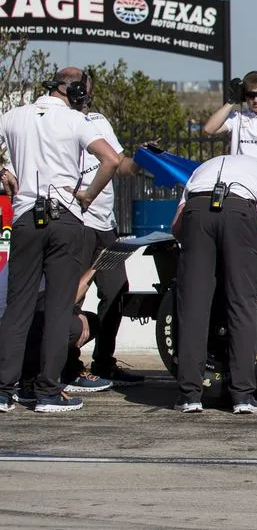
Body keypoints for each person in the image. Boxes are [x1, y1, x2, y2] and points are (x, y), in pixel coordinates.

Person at [0, 67, 122, 414]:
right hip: (65, 216)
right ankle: (48, 392)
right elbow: (112, 159)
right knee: (58, 307)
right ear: (77, 92)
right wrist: (88, 195)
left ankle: (4, 391)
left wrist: (4, 172)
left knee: (18, 307)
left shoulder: (14, 116)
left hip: (26, 217)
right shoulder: (75, 121)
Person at [170, 153, 257, 414]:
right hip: (240, 213)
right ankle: (242, 396)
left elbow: (177, 228)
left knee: (193, 307)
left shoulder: (202, 168)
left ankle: (190, 396)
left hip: (197, 211)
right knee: (242, 304)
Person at [72, 79, 146, 386]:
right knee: (72, 295)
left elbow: (120, 165)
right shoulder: (61, 123)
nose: (85, 94)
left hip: (106, 226)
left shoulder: (98, 120)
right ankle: (68, 366)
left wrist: (141, 160)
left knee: (116, 291)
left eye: (87, 88)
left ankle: (103, 362)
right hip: (79, 224)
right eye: (79, 88)